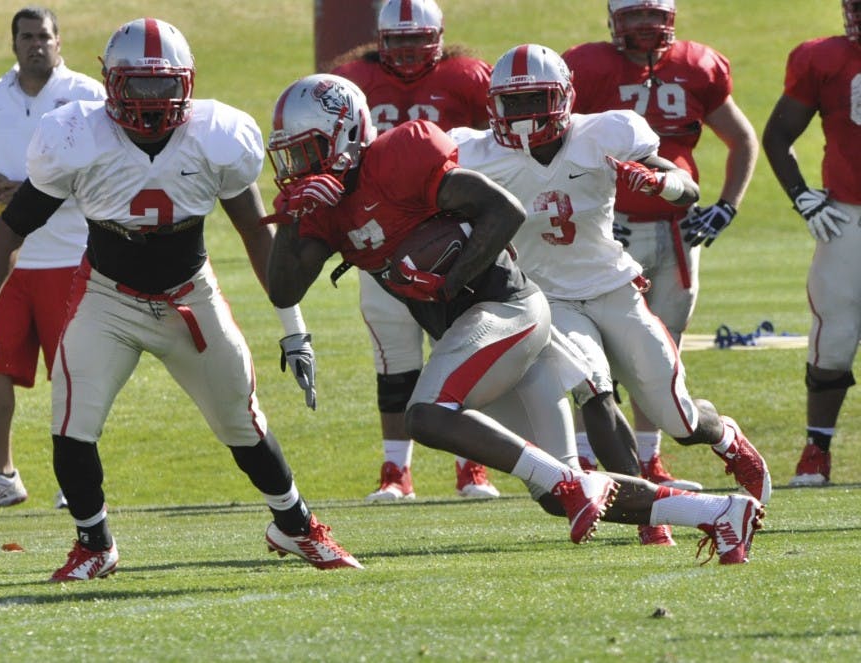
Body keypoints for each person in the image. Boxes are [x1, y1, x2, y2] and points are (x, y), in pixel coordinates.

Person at [264, 71, 765, 564]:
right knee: (554, 490)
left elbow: (503, 210)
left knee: (425, 414)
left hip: (507, 308)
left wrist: (448, 281)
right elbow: (284, 289)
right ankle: (719, 511)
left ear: (347, 136)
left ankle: (585, 480)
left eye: (308, 150)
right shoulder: (322, 208)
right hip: (476, 338)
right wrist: (291, 221)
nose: (299, 167)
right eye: (291, 155)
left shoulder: (399, 156)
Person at [0, 18, 358, 581]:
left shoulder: (216, 137)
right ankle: (95, 544)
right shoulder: (76, 136)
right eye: (138, 86)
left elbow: (254, 233)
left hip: (188, 294)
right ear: (109, 84)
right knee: (72, 423)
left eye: (163, 85)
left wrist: (292, 325)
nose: (152, 102)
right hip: (107, 296)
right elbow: (10, 229)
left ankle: (294, 526)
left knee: (243, 423)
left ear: (187, 83)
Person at [447, 44, 772, 508]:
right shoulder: (472, 151)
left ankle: (726, 438)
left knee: (676, 417)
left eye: (534, 99)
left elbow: (687, 191)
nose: (521, 114)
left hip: (612, 288)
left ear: (563, 97)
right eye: (511, 102)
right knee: (594, 390)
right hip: (546, 298)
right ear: (493, 105)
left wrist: (662, 183)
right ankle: (651, 511)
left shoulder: (604, 132)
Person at [563, 0, 759, 490]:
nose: (645, 27)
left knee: (662, 349)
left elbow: (742, 138)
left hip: (677, 229)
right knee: (591, 351)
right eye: (634, 17)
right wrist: (591, 214)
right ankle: (591, 458)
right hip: (607, 232)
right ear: (613, 21)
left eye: (654, 16)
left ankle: (649, 459)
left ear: (671, 20)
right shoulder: (586, 68)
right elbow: (557, 147)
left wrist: (726, 205)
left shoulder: (698, 66)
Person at [329, 0, 499, 501]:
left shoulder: (469, 77)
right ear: (380, 40)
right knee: (394, 359)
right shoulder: (352, 79)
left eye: (416, 39)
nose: (406, 50)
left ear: (439, 36)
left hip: (447, 233)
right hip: (380, 236)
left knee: (461, 350)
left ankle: (474, 466)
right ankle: (395, 470)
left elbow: (499, 143)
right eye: (397, 40)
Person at [0, 7, 106, 512]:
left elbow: (113, 167)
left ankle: (75, 480)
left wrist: (48, 193)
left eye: (44, 36)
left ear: (60, 42)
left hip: (71, 254)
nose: (36, 44)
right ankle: (2, 477)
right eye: (26, 36)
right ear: (13, 43)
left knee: (74, 369)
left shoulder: (88, 96)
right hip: (0, 260)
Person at [762, 0, 861, 487]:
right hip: (848, 217)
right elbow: (778, 133)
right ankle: (816, 449)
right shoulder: (822, 58)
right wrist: (803, 197)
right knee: (835, 339)